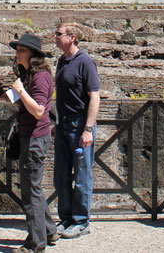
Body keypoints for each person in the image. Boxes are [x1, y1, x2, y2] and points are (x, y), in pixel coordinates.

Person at [9, 33, 58, 253]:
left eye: (21, 50)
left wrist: (19, 90)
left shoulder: (40, 77)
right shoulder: (31, 75)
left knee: (30, 192)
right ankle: (48, 230)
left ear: (33, 54)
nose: (17, 54)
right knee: (34, 188)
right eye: (17, 50)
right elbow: (26, 102)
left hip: (35, 139)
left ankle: (35, 244)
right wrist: (5, 94)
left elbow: (38, 110)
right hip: (31, 136)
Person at [52, 22, 100, 238]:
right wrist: (56, 122)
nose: (55, 36)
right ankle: (66, 218)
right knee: (60, 174)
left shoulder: (85, 62)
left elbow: (95, 97)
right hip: (63, 125)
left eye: (59, 34)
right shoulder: (62, 61)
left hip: (80, 125)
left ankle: (81, 221)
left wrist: (88, 129)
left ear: (72, 38)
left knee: (82, 175)